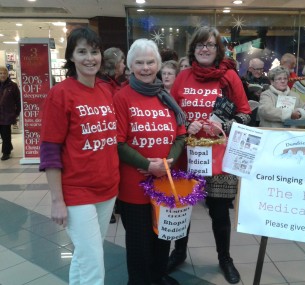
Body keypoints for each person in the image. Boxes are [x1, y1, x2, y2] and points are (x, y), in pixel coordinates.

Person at [169, 26, 251, 284]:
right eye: (200, 45)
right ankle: (179, 252)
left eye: (210, 45)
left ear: (218, 50)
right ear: (193, 49)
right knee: (182, 209)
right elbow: (171, 114)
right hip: (186, 156)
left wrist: (222, 126)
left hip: (219, 157)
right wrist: (185, 126)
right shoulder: (182, 77)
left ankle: (225, 258)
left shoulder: (229, 78)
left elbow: (245, 113)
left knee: (218, 212)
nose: (205, 49)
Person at [39, 27, 119, 285]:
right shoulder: (61, 93)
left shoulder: (106, 90)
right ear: (71, 57)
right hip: (77, 191)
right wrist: (56, 200)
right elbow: (50, 148)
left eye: (94, 52)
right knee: (94, 262)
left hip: (107, 189)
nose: (89, 58)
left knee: (85, 257)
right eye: (82, 51)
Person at [113, 38, 186, 285]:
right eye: (140, 62)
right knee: (138, 242)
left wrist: (167, 163)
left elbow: (180, 134)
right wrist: (148, 166)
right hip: (134, 187)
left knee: (162, 237)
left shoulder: (166, 97)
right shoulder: (121, 98)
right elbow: (118, 142)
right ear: (130, 66)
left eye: (150, 62)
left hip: (164, 182)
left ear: (158, 64)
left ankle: (158, 276)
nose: (146, 67)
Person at [100, 47, 127, 224]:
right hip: (109, 136)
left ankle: (115, 204)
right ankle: (108, 207)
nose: (125, 65)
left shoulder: (116, 83)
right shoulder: (105, 86)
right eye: (123, 62)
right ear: (116, 65)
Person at [0, 66, 21, 161]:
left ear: (7, 74)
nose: (2, 75)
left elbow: (18, 100)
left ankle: (6, 152)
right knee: (3, 134)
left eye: (4, 73)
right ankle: (9, 147)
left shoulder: (13, 86)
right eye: (0, 73)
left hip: (7, 114)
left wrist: (17, 112)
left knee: (5, 134)